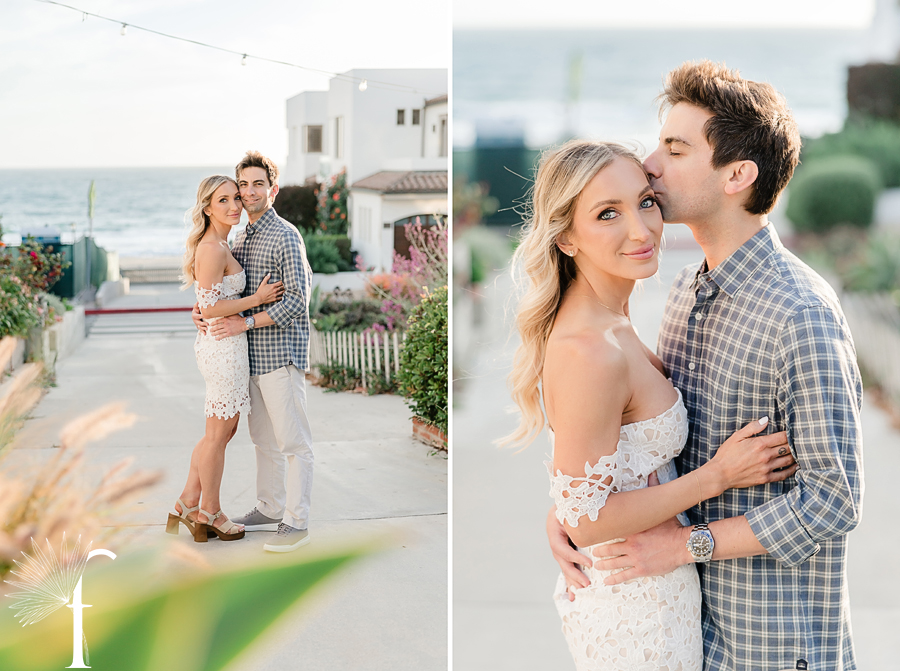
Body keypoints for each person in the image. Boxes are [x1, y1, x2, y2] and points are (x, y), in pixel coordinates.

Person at [547, 61, 864, 671]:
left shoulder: (801, 314)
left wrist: (686, 546)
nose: (652, 163)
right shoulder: (684, 294)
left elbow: (834, 499)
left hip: (771, 646)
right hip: (690, 632)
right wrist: (571, 509)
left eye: (675, 147)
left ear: (737, 176)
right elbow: (644, 448)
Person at [505, 139, 798, 670]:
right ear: (567, 238)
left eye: (644, 201)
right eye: (607, 214)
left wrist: (566, 506)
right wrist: (717, 476)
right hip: (633, 609)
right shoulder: (589, 349)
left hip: (654, 588)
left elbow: (590, 485)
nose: (640, 230)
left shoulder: (613, 322)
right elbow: (588, 519)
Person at [192, 151, 315, 554]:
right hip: (248, 360)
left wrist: (243, 322)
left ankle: (296, 522)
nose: (248, 192)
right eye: (242, 184)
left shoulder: (286, 236)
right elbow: (227, 292)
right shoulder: (240, 237)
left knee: (293, 444)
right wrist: (201, 309)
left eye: (257, 184)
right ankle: (269, 508)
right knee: (263, 441)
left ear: (272, 189)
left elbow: (297, 299)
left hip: (280, 355)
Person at [166, 174, 284, 542]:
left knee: (222, 431)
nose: (235, 205)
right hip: (222, 350)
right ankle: (211, 512)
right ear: (206, 207)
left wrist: (206, 309)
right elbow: (211, 305)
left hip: (227, 347)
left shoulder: (221, 242)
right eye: (224, 200)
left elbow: (207, 299)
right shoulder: (212, 247)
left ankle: (188, 500)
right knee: (218, 435)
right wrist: (256, 299)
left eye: (236, 197)